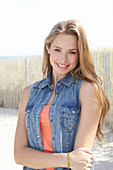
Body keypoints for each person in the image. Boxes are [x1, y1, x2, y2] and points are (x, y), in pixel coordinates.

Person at [14, 19, 110, 170]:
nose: (63, 59)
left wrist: (38, 158)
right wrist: (67, 159)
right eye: (58, 50)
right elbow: (19, 155)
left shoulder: (88, 90)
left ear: (80, 54)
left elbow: (80, 162)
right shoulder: (29, 93)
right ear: (48, 48)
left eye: (72, 52)